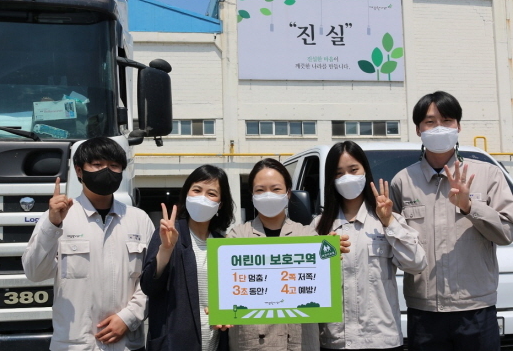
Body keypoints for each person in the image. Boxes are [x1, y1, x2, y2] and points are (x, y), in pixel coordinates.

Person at [390, 91, 513, 351]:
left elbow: (506, 233)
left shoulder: (488, 174)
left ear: (458, 126)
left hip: (475, 309)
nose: (439, 128)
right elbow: (394, 242)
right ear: (418, 129)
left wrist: (470, 206)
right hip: (424, 311)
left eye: (447, 121)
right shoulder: (403, 181)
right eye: (430, 122)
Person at [22, 137, 153, 351]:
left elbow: (151, 280)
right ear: (79, 171)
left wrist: (129, 317)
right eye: (97, 165)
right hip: (74, 345)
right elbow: (34, 272)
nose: (106, 171)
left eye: (114, 166)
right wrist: (52, 225)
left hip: (126, 344)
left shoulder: (139, 219)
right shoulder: (58, 217)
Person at [226, 158, 350, 351]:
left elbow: (325, 291)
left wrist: (330, 257)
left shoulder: (308, 235)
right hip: (253, 343)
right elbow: (227, 290)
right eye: (260, 190)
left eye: (276, 189)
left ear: (288, 193)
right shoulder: (236, 237)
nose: (268, 195)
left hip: (300, 342)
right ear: (251, 195)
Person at [315, 141, 426, 350]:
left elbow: (417, 263)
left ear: (365, 171)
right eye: (339, 173)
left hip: (381, 339)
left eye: (353, 169)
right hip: (336, 340)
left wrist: (389, 223)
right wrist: (322, 255)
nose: (347, 177)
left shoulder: (386, 220)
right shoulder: (319, 226)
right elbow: (308, 282)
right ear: (331, 179)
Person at [141, 165, 235, 351]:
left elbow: (232, 296)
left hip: (214, 343)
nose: (202, 198)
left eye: (212, 193)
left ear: (220, 204)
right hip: (174, 344)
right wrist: (166, 250)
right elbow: (148, 286)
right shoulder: (170, 234)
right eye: (197, 190)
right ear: (187, 195)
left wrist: (227, 315)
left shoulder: (223, 244)